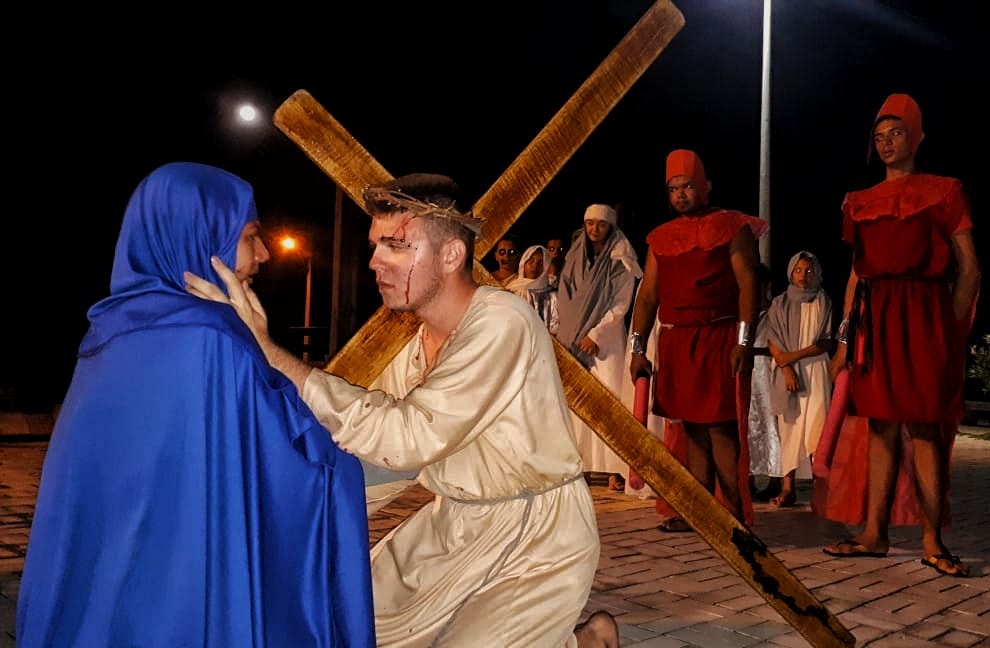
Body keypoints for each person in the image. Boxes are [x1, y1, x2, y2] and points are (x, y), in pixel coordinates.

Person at [186, 173, 619, 647]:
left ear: (450, 255)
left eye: (395, 245)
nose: (375, 261)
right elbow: (377, 455)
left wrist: (270, 353)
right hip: (453, 528)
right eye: (376, 246)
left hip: (539, 537)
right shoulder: (413, 351)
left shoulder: (503, 321)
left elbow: (408, 436)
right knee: (342, 621)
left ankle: (583, 641)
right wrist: (281, 509)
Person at [16, 162, 375, 647]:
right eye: (251, 236)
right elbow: (300, 467)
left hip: (113, 608)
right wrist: (261, 347)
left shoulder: (106, 335)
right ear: (201, 240)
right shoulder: (213, 341)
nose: (264, 254)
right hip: (189, 605)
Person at [821, 93, 980, 578]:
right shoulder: (860, 201)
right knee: (881, 427)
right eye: (879, 136)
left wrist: (949, 330)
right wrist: (844, 339)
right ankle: (875, 533)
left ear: (916, 136)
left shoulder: (944, 191)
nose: (886, 143)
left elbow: (970, 268)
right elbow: (856, 275)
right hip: (875, 320)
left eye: (896, 133)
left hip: (925, 315)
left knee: (926, 428)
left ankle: (933, 540)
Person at [628, 149, 764, 530]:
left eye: (687, 186)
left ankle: (734, 516)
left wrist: (743, 341)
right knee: (691, 430)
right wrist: (637, 348)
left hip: (718, 337)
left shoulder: (731, 226)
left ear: (706, 186)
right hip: (678, 342)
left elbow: (748, 282)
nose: (681, 195)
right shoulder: (661, 238)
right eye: (673, 189)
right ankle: (700, 513)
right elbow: (648, 295)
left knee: (721, 429)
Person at [556, 203, 643, 492]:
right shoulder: (575, 254)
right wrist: (570, 333)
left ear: (611, 226)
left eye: (601, 224)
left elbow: (620, 302)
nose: (595, 229)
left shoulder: (621, 254)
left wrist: (595, 334)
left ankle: (614, 470)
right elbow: (565, 297)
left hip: (605, 340)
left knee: (609, 399)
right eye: (590, 223)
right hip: (572, 338)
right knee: (577, 405)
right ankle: (579, 466)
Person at [765, 251, 834, 508]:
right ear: (790, 272)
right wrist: (786, 368)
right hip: (787, 371)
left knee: (818, 426)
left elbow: (825, 342)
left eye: (809, 270)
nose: (803, 275)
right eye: (798, 270)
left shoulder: (822, 301)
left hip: (815, 368)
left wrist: (793, 357)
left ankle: (820, 490)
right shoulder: (780, 303)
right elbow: (773, 339)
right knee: (790, 428)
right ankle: (788, 489)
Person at [748, 263, 783, 501]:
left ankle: (775, 477)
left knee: (771, 422)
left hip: (768, 367)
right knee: (749, 424)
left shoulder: (775, 310)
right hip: (748, 369)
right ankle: (748, 475)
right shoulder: (743, 312)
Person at [506, 244, 560, 334]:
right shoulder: (512, 287)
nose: (534, 266)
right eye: (531, 261)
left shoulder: (551, 295)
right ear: (523, 263)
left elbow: (554, 326)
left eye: (540, 263)